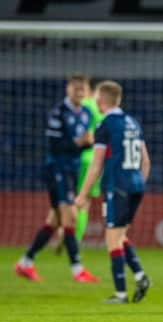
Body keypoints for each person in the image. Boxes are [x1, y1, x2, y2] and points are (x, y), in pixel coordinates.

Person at [14, 74, 100, 283]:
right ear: (68, 89)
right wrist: (79, 143)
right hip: (57, 169)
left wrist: (88, 143)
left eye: (83, 89)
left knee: (54, 221)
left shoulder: (87, 113)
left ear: (86, 91)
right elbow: (54, 146)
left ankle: (25, 262)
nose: (79, 92)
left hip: (72, 169)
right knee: (69, 215)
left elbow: (84, 144)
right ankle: (77, 269)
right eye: (75, 88)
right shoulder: (58, 113)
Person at [75, 80, 151, 304]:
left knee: (112, 240)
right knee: (120, 236)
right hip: (136, 184)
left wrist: (83, 194)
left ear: (99, 100)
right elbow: (145, 161)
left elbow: (96, 164)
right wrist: (138, 183)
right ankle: (140, 276)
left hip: (117, 185)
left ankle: (120, 294)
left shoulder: (105, 125)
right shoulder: (133, 123)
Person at [75, 77, 105, 243]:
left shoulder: (86, 104)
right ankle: (75, 238)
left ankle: (72, 239)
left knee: (79, 199)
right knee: (85, 201)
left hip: (84, 156)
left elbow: (84, 133)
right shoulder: (102, 110)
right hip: (98, 158)